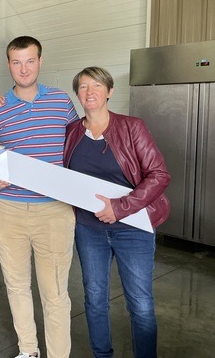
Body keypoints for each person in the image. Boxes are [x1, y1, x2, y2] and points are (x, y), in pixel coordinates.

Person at [0, 36, 78, 358]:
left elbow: (77, 149)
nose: (24, 68)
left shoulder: (62, 102)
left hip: (54, 212)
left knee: (55, 293)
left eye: (30, 60)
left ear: (40, 61)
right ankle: (28, 350)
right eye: (16, 62)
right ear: (9, 65)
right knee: (17, 286)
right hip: (8, 211)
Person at [63, 66, 170, 358]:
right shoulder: (72, 131)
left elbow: (159, 174)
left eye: (97, 86)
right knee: (95, 299)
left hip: (132, 228)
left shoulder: (132, 127)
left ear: (110, 91)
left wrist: (120, 209)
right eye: (83, 87)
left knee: (140, 303)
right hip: (88, 229)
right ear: (77, 94)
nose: (90, 92)